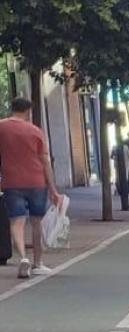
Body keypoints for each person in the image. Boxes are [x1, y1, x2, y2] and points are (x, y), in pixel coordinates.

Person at [0, 96, 64, 279]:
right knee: (37, 222)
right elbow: (45, 162)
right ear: (28, 111)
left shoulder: (1, 127)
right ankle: (38, 263)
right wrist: (53, 190)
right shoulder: (35, 131)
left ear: (11, 108)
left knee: (16, 221)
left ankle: (22, 258)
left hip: (11, 182)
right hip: (36, 182)